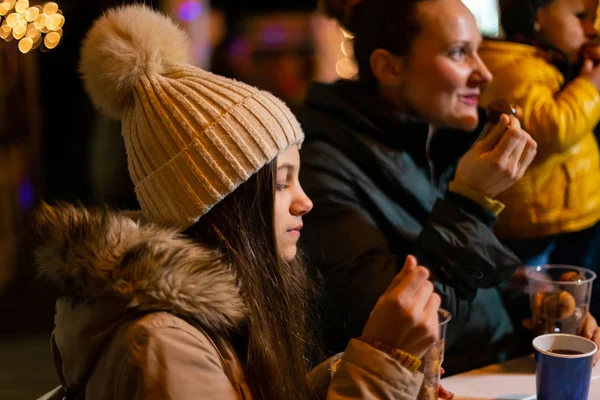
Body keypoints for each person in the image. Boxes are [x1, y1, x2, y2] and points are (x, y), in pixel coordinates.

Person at [34, 5, 443, 400]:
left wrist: (371, 371)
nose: (305, 202)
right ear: (219, 200)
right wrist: (382, 358)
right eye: (283, 183)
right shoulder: (162, 343)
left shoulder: (223, 309)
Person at [296, 0, 542, 374]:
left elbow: (456, 271)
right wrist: (471, 203)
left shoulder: (434, 138)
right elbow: (404, 327)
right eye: (459, 52)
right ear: (389, 68)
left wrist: (535, 304)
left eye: (479, 49)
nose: (484, 73)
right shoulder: (321, 164)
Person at [478, 0, 600, 315]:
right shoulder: (518, 68)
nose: (590, 29)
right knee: (554, 302)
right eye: (579, 17)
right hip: (541, 223)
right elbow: (552, 128)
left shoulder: (540, 62)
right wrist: (590, 87)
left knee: (573, 298)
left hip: (566, 212)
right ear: (536, 18)